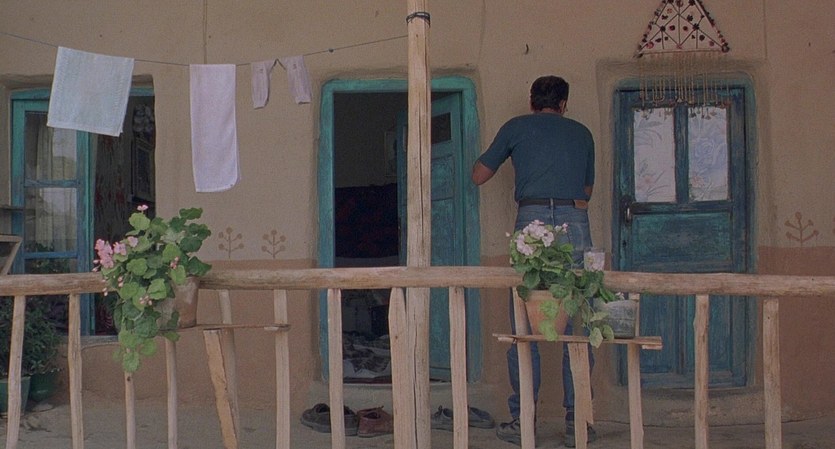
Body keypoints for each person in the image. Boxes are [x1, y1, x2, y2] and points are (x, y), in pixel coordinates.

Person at [472, 75, 597, 447]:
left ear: (531, 102)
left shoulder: (516, 127)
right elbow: (587, 190)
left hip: (532, 220)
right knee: (579, 324)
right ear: (564, 104)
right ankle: (578, 424)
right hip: (575, 220)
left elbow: (479, 176)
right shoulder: (582, 133)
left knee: (524, 326)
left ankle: (523, 421)